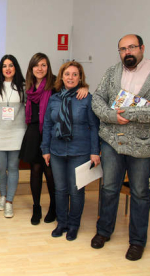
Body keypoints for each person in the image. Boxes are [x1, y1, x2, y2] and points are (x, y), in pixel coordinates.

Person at [91, 34, 150, 261]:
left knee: (140, 194)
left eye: (131, 47)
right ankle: (104, 231)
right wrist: (111, 116)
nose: (127, 52)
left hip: (142, 146)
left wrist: (128, 113)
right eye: (123, 49)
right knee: (108, 189)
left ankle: (137, 242)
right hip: (112, 142)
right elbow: (98, 99)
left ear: (141, 48)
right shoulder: (111, 72)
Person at [19, 53, 88, 225]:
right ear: (31, 68)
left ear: (48, 67)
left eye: (43, 65)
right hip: (34, 132)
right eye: (36, 65)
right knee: (35, 171)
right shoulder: (28, 86)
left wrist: (83, 87)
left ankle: (54, 207)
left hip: (52, 133)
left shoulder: (56, 85)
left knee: (51, 173)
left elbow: (72, 92)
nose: (40, 68)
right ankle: (36, 207)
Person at [41, 61, 100, 241]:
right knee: (60, 190)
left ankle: (74, 225)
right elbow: (48, 124)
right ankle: (62, 223)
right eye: (67, 74)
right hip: (57, 151)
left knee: (76, 191)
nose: (71, 77)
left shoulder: (86, 98)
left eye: (75, 74)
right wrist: (45, 149)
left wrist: (95, 151)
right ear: (61, 77)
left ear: (80, 77)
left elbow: (93, 126)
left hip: (79, 151)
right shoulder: (54, 99)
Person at [0, 55, 26, 218]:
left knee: (13, 168)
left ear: (15, 67)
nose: (8, 68)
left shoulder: (24, 86)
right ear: (0, 69)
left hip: (17, 133)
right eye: (4, 66)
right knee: (0, 168)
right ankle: (3, 195)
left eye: (11, 65)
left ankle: (9, 201)